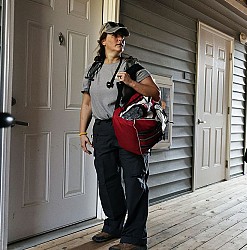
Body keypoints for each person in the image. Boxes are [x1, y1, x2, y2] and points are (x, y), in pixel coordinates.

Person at [79, 21, 160, 250]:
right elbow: (86, 103)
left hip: (128, 127)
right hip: (103, 129)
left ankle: (134, 237)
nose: (119, 40)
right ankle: (113, 225)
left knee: (134, 180)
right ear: (103, 40)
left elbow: (155, 93)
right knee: (107, 179)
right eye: (114, 36)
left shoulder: (133, 66)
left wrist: (131, 83)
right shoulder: (93, 69)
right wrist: (82, 132)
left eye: (122, 37)